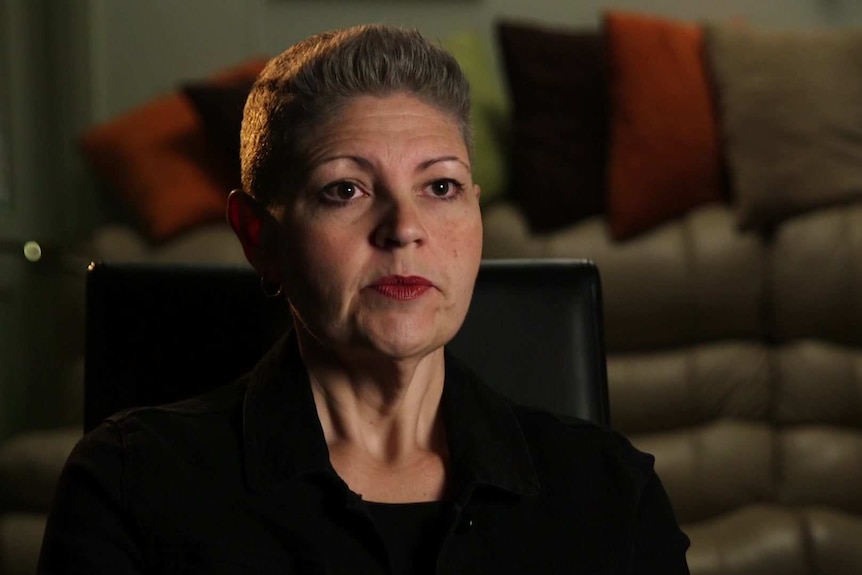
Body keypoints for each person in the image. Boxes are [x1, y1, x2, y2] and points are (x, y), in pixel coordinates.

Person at [39, 24, 690, 574]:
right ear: (258, 238)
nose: (404, 227)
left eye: (440, 187)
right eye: (344, 189)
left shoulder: (610, 493)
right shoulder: (130, 488)